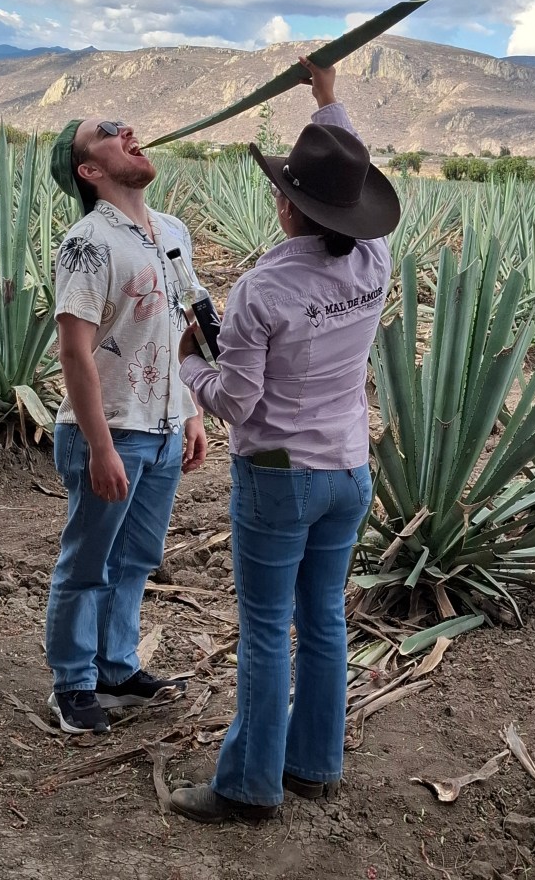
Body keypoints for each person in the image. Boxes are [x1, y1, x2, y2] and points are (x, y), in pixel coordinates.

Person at [169, 57, 400, 822]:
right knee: (323, 619)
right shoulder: (373, 257)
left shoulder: (264, 288)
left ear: (288, 209)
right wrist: (327, 98)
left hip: (277, 473)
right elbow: (344, 167)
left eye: (284, 192)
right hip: (347, 472)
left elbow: (236, 401)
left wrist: (190, 365)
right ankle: (314, 766)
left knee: (267, 629)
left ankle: (248, 786)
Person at [46, 116, 207, 735]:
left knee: (136, 558)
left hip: (162, 429)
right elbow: (74, 352)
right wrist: (100, 446)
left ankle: (116, 666)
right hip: (110, 432)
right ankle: (73, 682)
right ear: (90, 169)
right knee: (88, 562)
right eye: (109, 130)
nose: (128, 130)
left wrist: (190, 412)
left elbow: (180, 329)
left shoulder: (172, 231)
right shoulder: (87, 243)